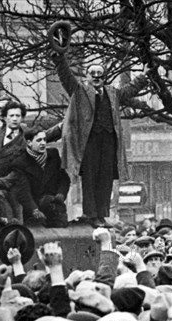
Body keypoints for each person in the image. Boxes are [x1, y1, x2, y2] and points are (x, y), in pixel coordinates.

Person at [51, 52, 148, 228]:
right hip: (89, 141)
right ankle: (90, 213)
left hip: (109, 140)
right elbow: (66, 76)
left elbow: (130, 90)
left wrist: (144, 76)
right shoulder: (79, 91)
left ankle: (102, 214)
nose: (96, 77)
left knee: (106, 177)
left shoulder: (113, 93)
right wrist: (59, 59)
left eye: (99, 74)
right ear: (87, 76)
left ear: (104, 78)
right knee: (90, 177)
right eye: (92, 74)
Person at [5, 131, 70, 227]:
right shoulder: (19, 163)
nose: (43, 143)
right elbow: (23, 191)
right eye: (39, 140)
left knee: (62, 228)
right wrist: (34, 210)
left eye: (44, 139)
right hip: (32, 208)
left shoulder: (53, 155)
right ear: (29, 143)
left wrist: (61, 194)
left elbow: (64, 178)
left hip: (53, 204)